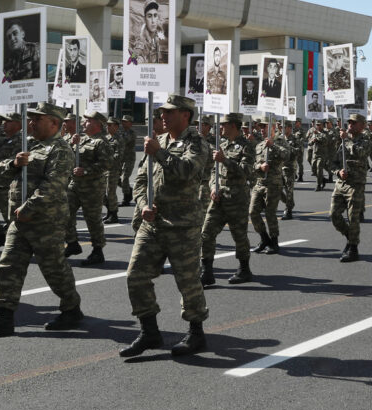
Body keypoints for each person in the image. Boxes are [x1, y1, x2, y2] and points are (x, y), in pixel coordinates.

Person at [0, 102, 83, 336]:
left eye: (37, 119)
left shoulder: (60, 150)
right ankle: (4, 316)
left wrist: (28, 208)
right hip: (20, 220)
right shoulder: (29, 144)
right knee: (9, 264)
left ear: (54, 123)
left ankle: (71, 309)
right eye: (31, 118)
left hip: (45, 221)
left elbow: (53, 186)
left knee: (54, 269)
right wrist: (14, 163)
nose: (31, 122)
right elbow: (0, 170)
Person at [121, 94, 210, 357]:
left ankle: (196, 333)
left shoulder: (197, 144)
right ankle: (149, 331)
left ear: (185, 115)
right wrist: (143, 205)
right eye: (162, 112)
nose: (163, 116)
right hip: (153, 224)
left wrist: (158, 153)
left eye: (169, 112)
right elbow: (141, 182)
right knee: (136, 276)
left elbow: (186, 171)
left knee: (188, 281)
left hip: (183, 225)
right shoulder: (158, 142)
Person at [200, 113, 255, 285]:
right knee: (206, 234)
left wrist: (225, 160)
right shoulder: (222, 145)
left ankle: (244, 269)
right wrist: (213, 186)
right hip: (219, 198)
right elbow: (213, 171)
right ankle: (207, 272)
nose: (220, 127)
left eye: (224, 124)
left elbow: (246, 171)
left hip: (237, 198)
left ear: (233, 125)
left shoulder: (247, 146)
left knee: (239, 236)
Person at [63, 111, 113, 266]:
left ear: (98, 124)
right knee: (64, 212)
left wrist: (86, 171)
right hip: (75, 184)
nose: (83, 123)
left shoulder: (101, 142)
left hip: (92, 187)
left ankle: (98, 250)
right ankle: (72, 243)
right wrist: (72, 144)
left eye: (88, 121)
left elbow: (106, 164)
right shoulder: (81, 139)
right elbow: (66, 157)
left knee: (92, 219)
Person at [330, 113, 371, 261]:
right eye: (349, 123)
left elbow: (359, 152)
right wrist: (338, 172)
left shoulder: (365, 140)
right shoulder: (343, 141)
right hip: (341, 184)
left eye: (354, 123)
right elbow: (334, 163)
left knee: (353, 217)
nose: (350, 125)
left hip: (356, 184)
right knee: (334, 215)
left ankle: (353, 249)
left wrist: (346, 139)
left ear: (362, 125)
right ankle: (350, 236)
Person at [249, 118, 289, 255]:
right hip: (259, 183)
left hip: (273, 184)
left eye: (264, 127)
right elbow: (253, 164)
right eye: (260, 127)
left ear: (272, 127)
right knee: (253, 212)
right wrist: (260, 167)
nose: (261, 129)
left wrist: (273, 146)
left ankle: (274, 242)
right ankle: (264, 238)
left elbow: (287, 155)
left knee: (270, 213)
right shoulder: (259, 145)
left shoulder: (280, 141)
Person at [130, 0, 168, 64]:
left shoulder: (157, 37)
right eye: (149, 16)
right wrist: (137, 59)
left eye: (155, 15)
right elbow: (134, 56)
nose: (153, 21)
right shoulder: (141, 41)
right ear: (145, 19)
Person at [120, 116, 137, 206]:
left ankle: (126, 197)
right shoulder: (120, 132)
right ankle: (129, 190)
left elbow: (124, 141)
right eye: (123, 121)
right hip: (121, 158)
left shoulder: (132, 133)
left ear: (130, 123)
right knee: (115, 178)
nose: (123, 123)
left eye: (125, 121)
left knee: (124, 178)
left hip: (129, 158)